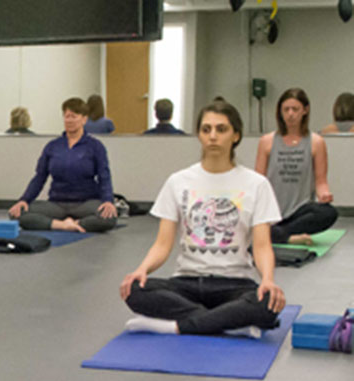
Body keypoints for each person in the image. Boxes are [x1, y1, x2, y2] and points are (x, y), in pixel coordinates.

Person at [119, 99, 286, 338]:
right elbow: (163, 243)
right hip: (186, 282)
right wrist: (142, 269)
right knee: (134, 290)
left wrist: (268, 279)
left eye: (221, 129)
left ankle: (175, 326)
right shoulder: (178, 181)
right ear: (199, 135)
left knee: (267, 301)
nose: (213, 136)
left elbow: (261, 246)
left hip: (234, 283)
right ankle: (229, 321)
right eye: (206, 129)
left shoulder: (256, 184)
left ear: (236, 136)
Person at [8, 97, 118, 233]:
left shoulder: (95, 146)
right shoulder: (53, 146)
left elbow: (104, 177)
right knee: (16, 214)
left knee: (109, 217)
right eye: (66, 116)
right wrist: (24, 200)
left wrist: (108, 201)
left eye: (74, 116)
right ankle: (62, 225)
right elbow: (39, 177)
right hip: (56, 203)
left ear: (84, 119)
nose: (69, 120)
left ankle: (76, 223)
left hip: (86, 202)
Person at [254, 87, 338, 245]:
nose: (290, 114)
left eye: (295, 109)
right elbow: (258, 180)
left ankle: (280, 234)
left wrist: (325, 194)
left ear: (305, 111)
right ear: (280, 112)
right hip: (272, 210)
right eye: (286, 109)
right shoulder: (267, 141)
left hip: (299, 212)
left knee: (328, 213)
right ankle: (284, 235)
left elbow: (321, 181)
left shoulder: (316, 142)